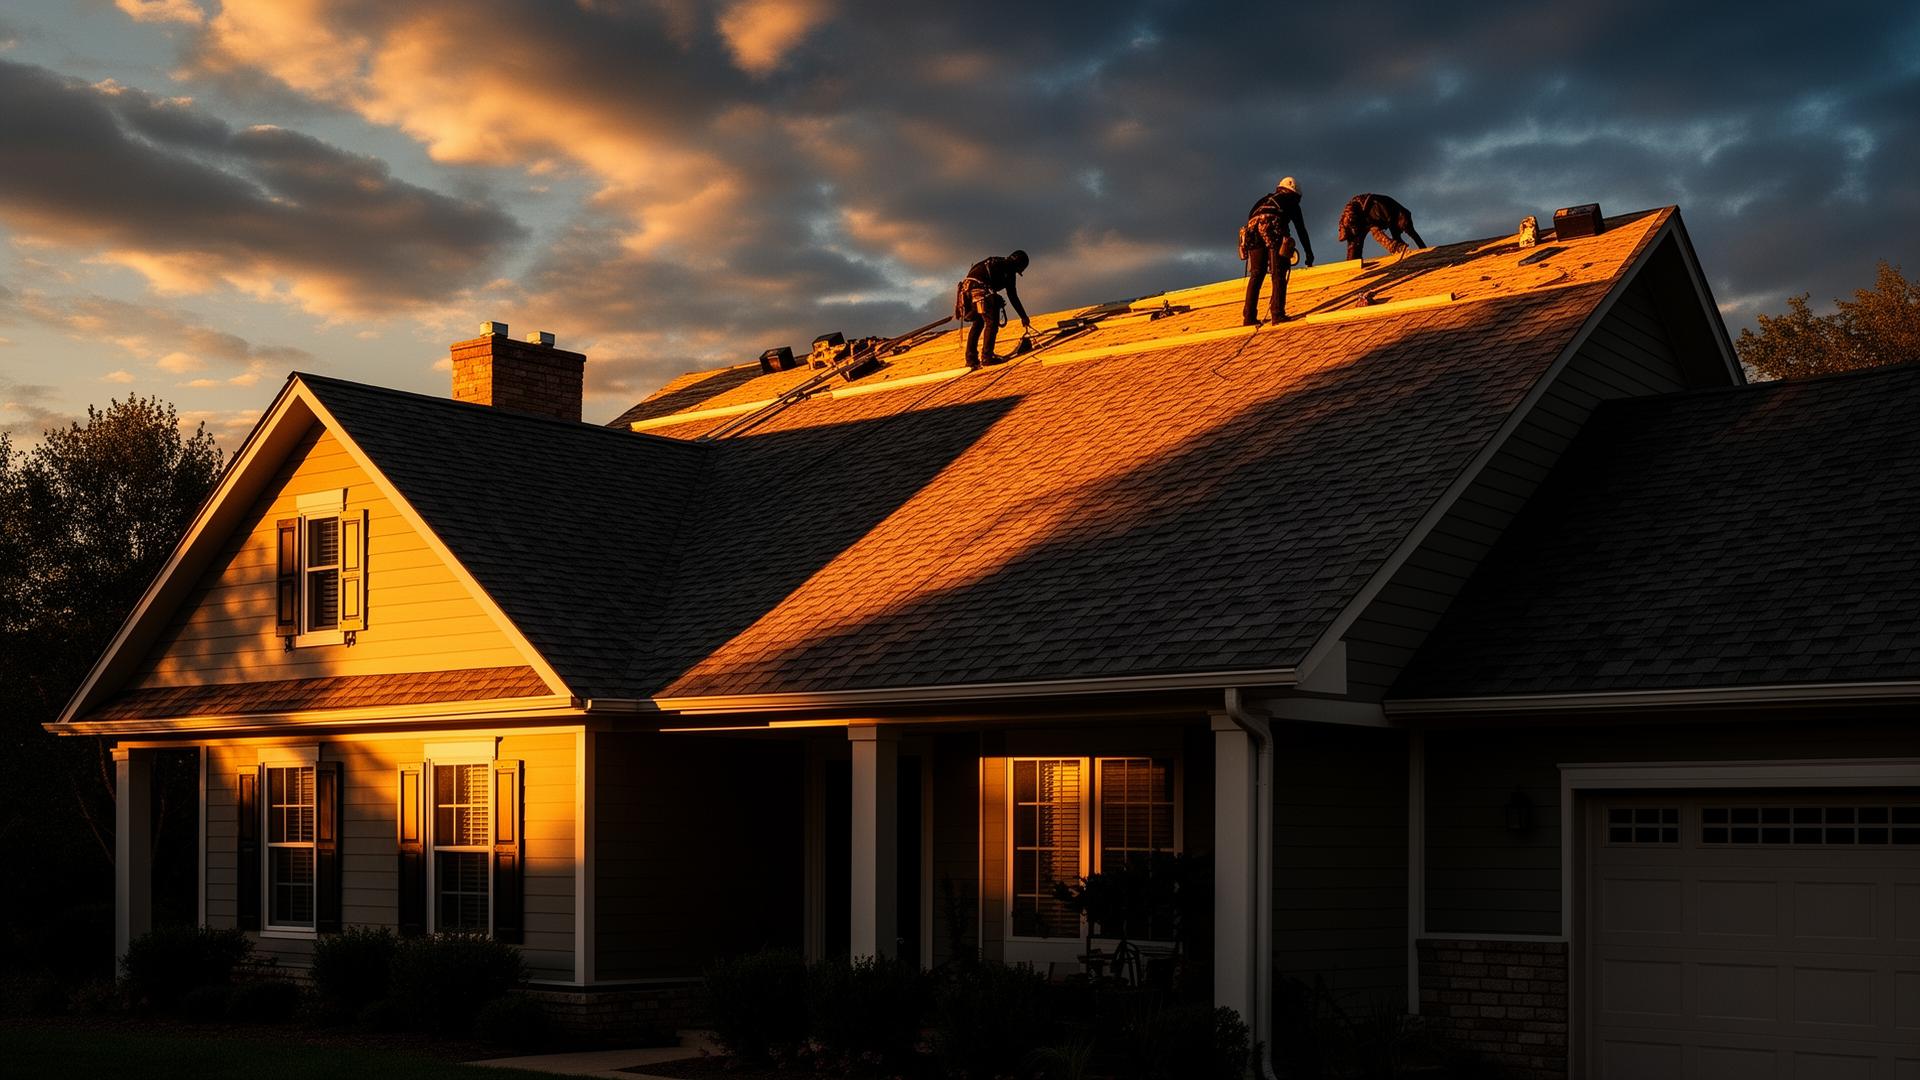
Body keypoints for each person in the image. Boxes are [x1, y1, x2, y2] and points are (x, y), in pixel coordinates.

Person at [1240, 177, 1313, 325]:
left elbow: (1250, 218)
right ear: (1295, 194)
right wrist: (1308, 253)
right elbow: (1301, 229)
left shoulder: (1262, 201)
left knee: (1256, 274)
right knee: (1278, 271)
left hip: (1252, 230)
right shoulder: (1291, 201)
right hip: (1273, 226)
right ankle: (1277, 314)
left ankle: (1248, 317)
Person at [955, 250, 1031, 367]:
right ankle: (987, 357)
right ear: (1019, 265)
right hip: (980, 293)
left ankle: (971, 359)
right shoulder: (1009, 269)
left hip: (966, 294)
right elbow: (1012, 296)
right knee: (991, 322)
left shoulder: (994, 261)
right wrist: (1024, 316)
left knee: (978, 322)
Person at [1338, 193, 1426, 260]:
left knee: (1356, 241)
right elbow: (1386, 225)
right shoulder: (1395, 216)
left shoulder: (1398, 217)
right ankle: (1398, 248)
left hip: (1362, 211)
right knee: (1375, 233)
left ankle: (1352, 260)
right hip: (1366, 211)